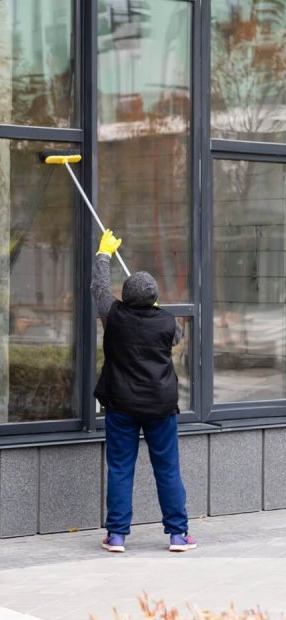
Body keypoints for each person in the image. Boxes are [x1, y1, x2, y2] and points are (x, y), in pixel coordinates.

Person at [91, 228, 196, 554]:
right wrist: (157, 310)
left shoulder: (113, 315)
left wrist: (104, 253)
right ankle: (178, 535)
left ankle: (117, 536)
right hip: (160, 406)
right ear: (153, 298)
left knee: (121, 468)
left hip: (121, 405)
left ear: (126, 296)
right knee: (167, 468)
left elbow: (99, 288)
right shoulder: (168, 323)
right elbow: (176, 336)